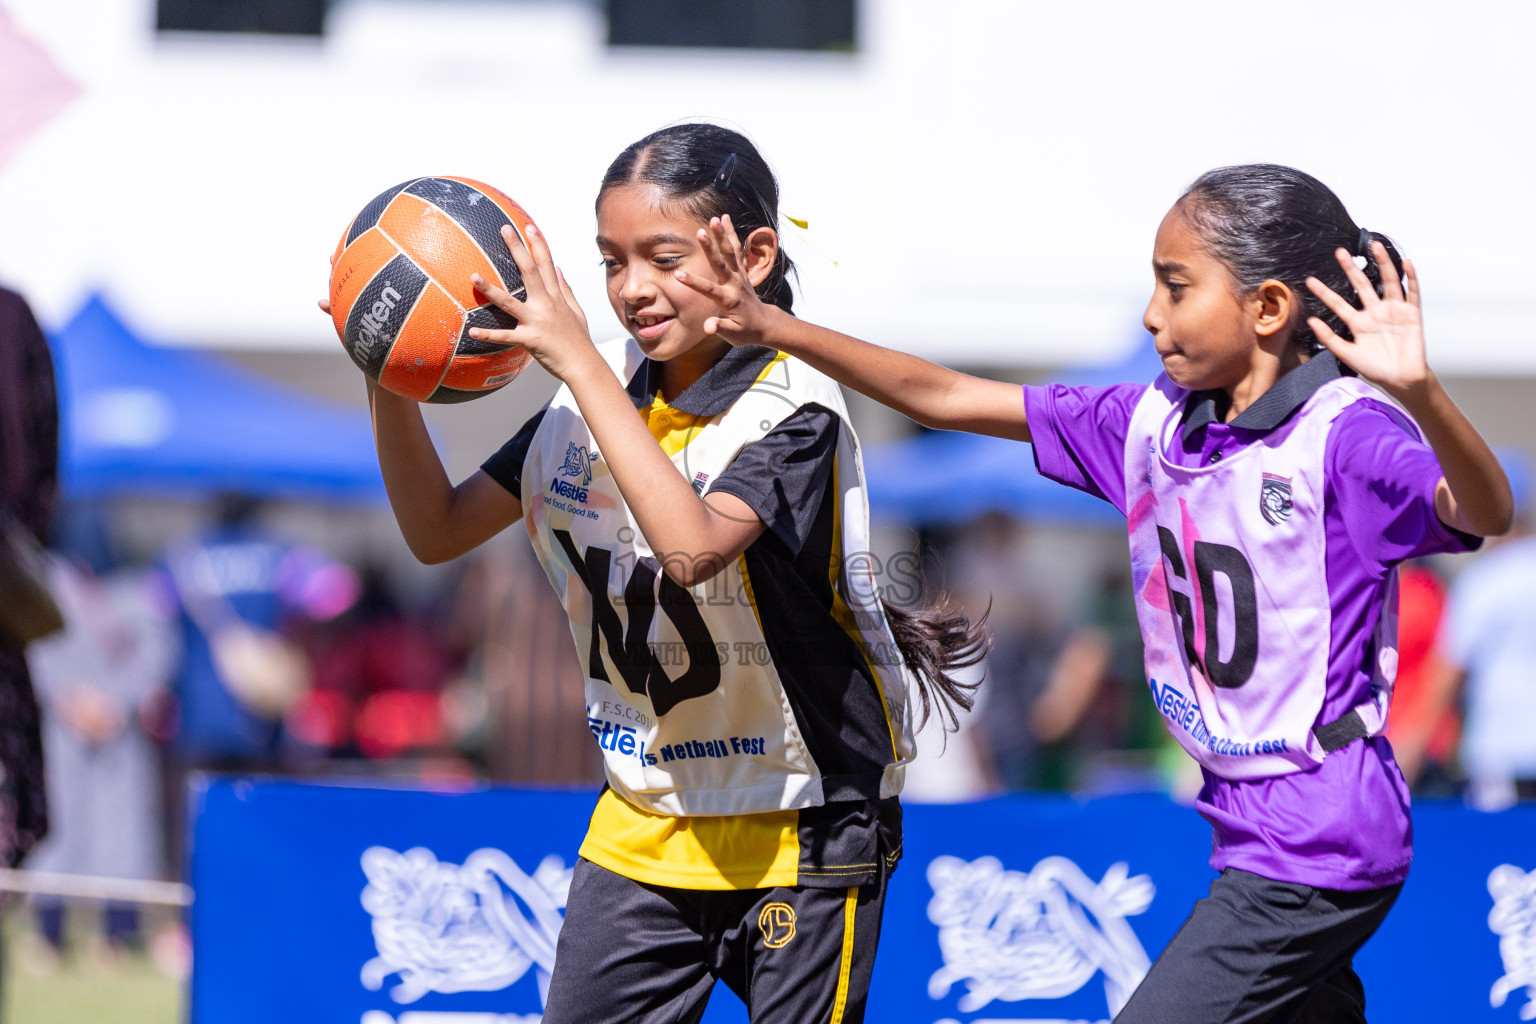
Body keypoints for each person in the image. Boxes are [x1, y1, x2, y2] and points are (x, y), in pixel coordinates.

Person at [675, 164, 1511, 1022]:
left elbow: (1481, 511)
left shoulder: (1346, 435)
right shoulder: (1148, 422)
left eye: (1175, 286)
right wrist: (776, 325)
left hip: (1323, 832)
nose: (1152, 312)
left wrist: (1421, 392)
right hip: (1253, 825)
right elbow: (948, 395)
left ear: (1267, 310)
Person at [326, 123, 985, 1023]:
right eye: (610, 261)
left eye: (662, 257)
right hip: (647, 817)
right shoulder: (583, 410)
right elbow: (435, 531)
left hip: (804, 820)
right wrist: (390, 371)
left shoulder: (792, 409)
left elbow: (691, 548)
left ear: (753, 257)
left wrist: (583, 364)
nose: (631, 288)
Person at [1433, 452, 1536, 810]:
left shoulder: (1483, 582)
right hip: (1513, 751)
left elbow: (1449, 676)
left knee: (1509, 862)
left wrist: (1406, 757)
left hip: (1501, 752)